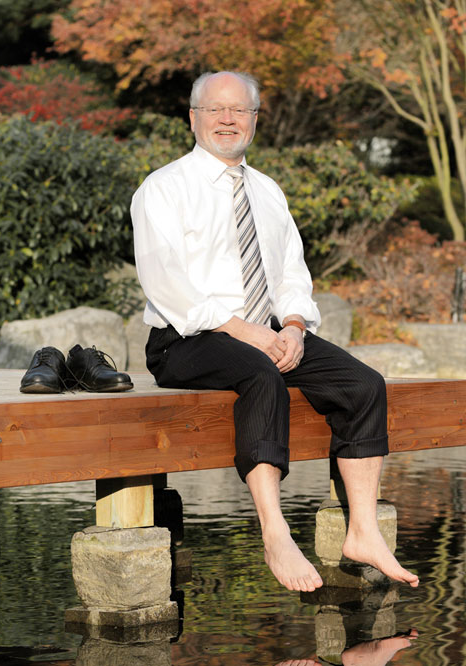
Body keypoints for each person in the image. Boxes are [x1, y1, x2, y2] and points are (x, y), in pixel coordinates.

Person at [131, 70, 419, 592]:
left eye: (239, 110)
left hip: (270, 334)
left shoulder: (266, 191)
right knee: (262, 374)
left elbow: (290, 273)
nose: (227, 119)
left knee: (364, 384)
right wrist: (256, 337)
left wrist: (291, 326)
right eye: (215, 109)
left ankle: (363, 531)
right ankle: (276, 532)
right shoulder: (163, 189)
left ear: (255, 120)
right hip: (186, 340)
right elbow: (168, 286)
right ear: (193, 118)